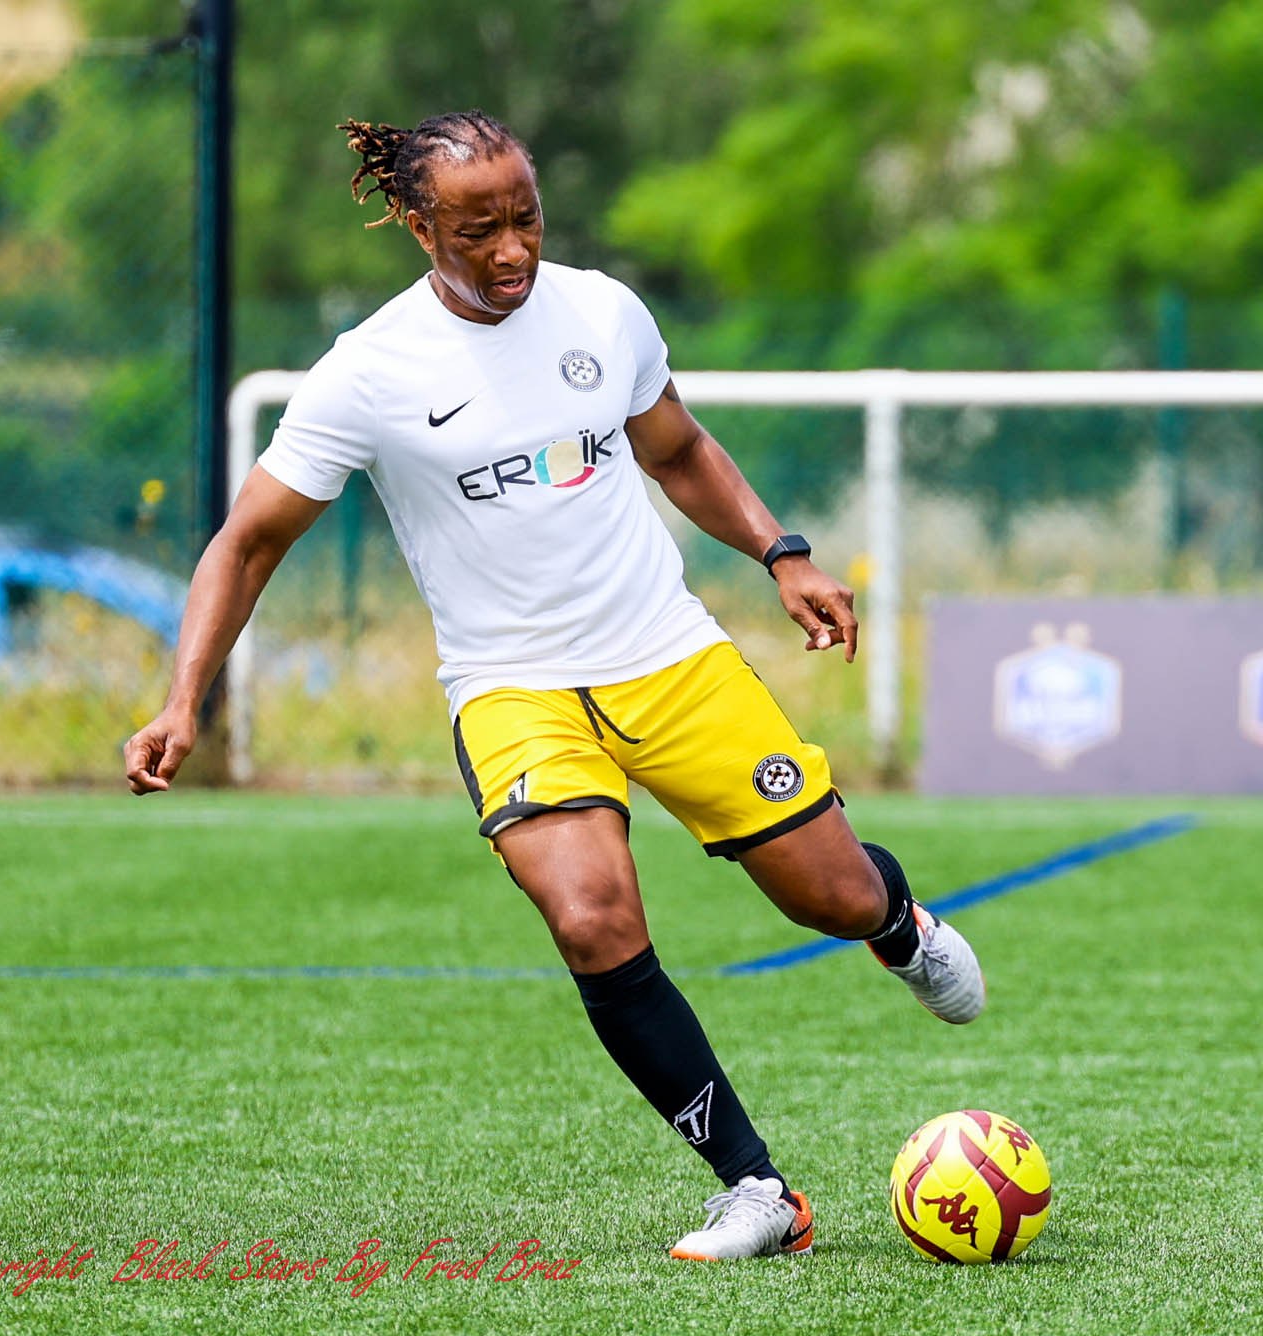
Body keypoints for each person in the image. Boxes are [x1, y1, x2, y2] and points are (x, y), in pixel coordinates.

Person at [122, 110, 984, 1261]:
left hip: (667, 656)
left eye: (525, 217)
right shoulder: (367, 371)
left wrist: (783, 554)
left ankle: (895, 923)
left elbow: (677, 449)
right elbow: (247, 543)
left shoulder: (601, 312)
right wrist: (183, 700)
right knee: (588, 916)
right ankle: (755, 1186)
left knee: (828, 896)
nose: (512, 248)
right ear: (418, 226)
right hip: (511, 690)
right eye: (478, 229)